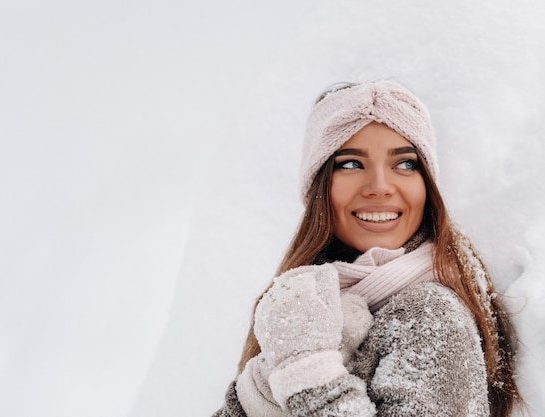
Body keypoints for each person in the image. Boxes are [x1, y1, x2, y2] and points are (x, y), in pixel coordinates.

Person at [212, 80, 522, 417]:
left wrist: (308, 373)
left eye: (405, 164)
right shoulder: (303, 306)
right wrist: (262, 387)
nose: (379, 187)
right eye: (350, 164)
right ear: (320, 188)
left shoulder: (430, 314)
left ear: (427, 186)